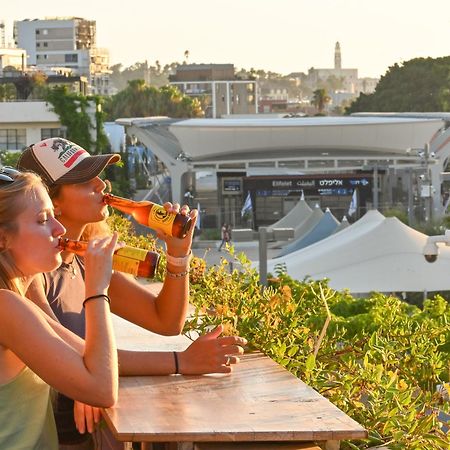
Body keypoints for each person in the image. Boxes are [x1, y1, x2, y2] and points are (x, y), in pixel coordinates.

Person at [18, 138, 247, 449]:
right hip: (62, 437)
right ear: (51, 202)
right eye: (85, 181)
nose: (102, 184)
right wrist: (181, 362)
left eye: (98, 175)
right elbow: (75, 357)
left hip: (91, 427)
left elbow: (165, 321)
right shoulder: (31, 274)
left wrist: (178, 253)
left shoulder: (87, 258)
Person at [0, 168, 119, 448]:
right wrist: (97, 290)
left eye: (54, 214)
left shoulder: (20, 295)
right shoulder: (6, 306)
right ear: (2, 239)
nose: (60, 229)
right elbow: (102, 389)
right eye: (43, 220)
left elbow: (85, 357)